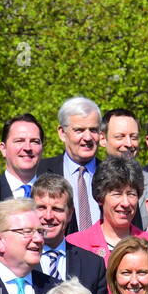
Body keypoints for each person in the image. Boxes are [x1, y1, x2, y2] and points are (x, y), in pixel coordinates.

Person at [66, 157, 148, 265]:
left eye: (131, 194)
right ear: (100, 198)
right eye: (117, 194)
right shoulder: (75, 244)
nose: (125, 203)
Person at [32, 173, 107, 294]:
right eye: (41, 208)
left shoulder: (93, 265)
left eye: (57, 209)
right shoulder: (17, 261)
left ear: (70, 213)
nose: (48, 216)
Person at [37, 96, 102, 233]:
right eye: (79, 130)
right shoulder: (39, 172)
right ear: (62, 133)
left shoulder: (113, 175)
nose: (88, 137)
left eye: (93, 130)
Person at [0, 114, 44, 199]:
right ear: (3, 149)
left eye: (34, 141)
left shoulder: (55, 193)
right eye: (19, 141)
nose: (27, 148)